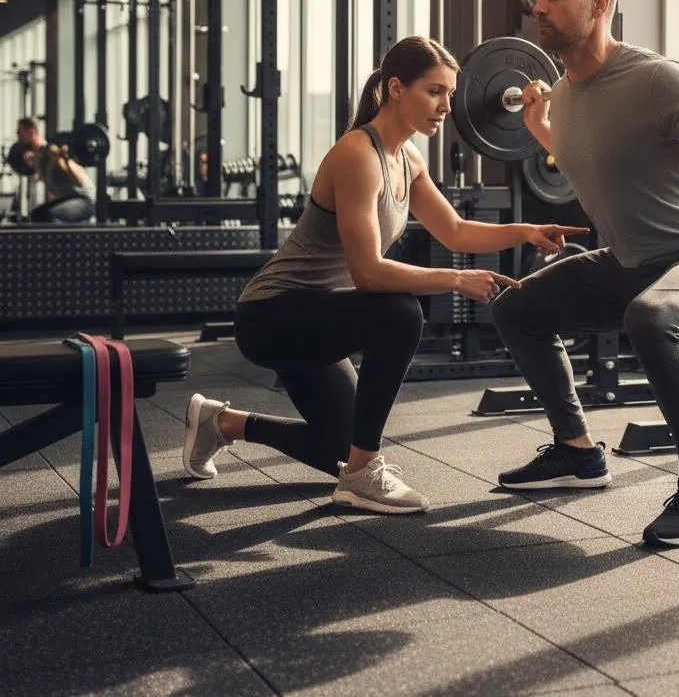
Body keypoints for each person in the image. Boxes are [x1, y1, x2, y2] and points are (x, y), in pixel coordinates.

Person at [182, 36, 588, 514]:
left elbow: (454, 230)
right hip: (272, 315)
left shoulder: (408, 158)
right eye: (434, 92)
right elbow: (369, 273)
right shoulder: (358, 154)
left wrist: (526, 231)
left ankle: (220, 422)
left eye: (451, 95)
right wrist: (455, 281)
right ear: (396, 88)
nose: (445, 107)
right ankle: (362, 474)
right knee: (399, 313)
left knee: (340, 444)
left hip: (320, 313)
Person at [491, 0, 679, 548]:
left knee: (654, 317)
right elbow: (591, 158)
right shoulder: (562, 97)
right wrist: (542, 130)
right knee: (517, 307)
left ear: (601, 3)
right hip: (630, 263)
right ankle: (576, 453)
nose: (540, 6)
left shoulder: (654, 79)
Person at [13, 117, 96, 224]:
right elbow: (53, 189)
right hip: (68, 200)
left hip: (85, 201)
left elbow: (80, 182)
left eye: (20, 132)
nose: (17, 136)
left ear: (31, 131)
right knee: (37, 215)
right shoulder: (40, 157)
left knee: (48, 216)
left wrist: (65, 159)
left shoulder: (52, 152)